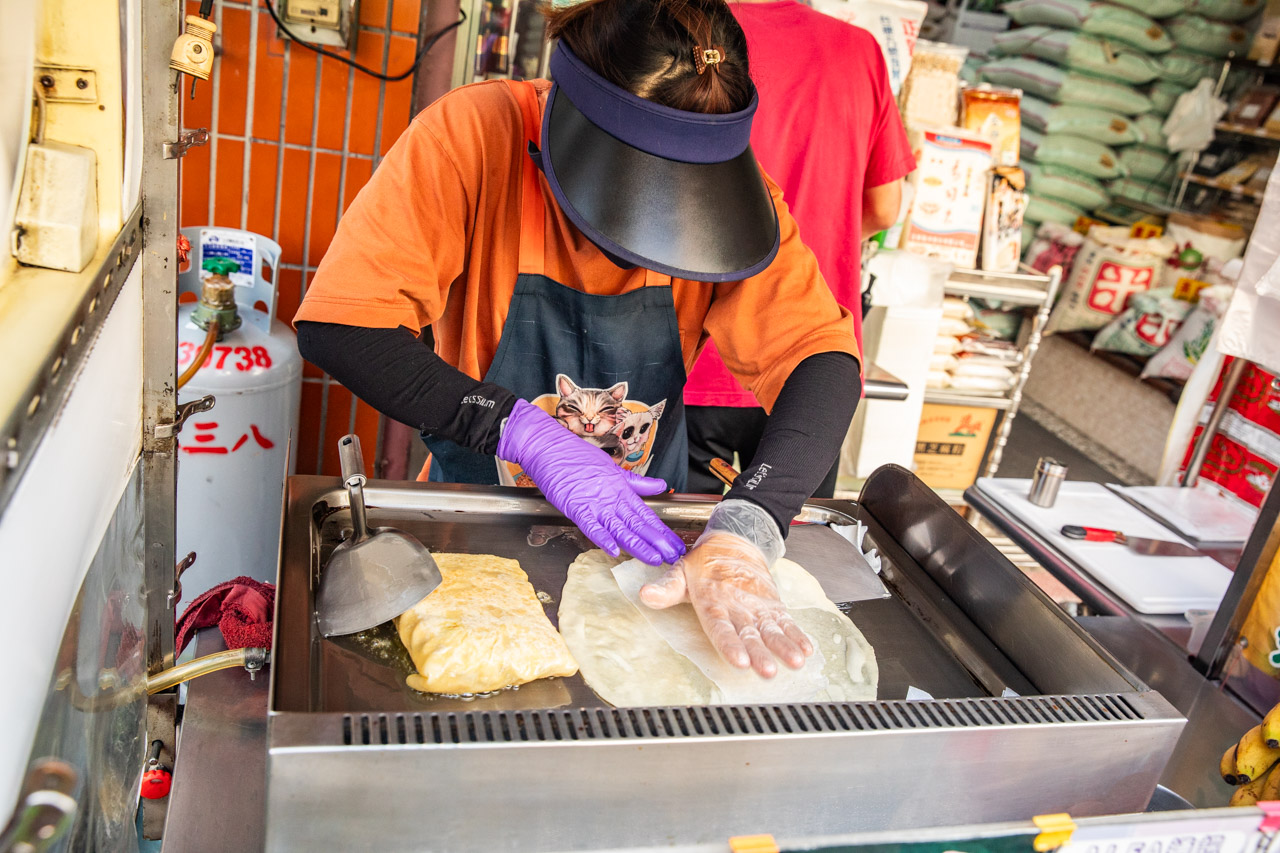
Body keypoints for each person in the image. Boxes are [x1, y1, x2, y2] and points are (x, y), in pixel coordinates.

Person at [294, 0, 862, 678]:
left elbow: (822, 360)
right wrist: (520, 430)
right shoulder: (474, 136)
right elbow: (341, 323)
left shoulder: (734, 204)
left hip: (649, 542)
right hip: (475, 521)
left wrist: (747, 527)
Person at [684, 0, 916, 497]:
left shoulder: (683, 31)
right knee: (790, 547)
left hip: (698, 346)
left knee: (667, 544)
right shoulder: (860, 51)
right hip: (814, 364)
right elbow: (884, 207)